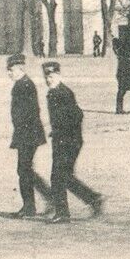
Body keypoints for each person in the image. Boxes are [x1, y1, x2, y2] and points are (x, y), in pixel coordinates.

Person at [42, 60, 102, 223]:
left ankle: (63, 213)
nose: (49, 79)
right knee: (65, 176)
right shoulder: (53, 92)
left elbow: (77, 116)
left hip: (68, 141)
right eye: (46, 77)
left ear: (59, 75)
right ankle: (93, 199)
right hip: (64, 140)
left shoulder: (63, 93)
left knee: (58, 176)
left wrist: (63, 132)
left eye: (52, 76)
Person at [7, 54, 51, 218]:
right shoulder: (22, 84)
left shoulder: (24, 85)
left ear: (20, 69)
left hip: (28, 134)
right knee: (25, 169)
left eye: (11, 70)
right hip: (26, 133)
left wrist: (23, 133)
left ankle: (31, 206)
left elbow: (31, 112)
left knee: (24, 169)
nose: (9, 73)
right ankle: (35, 203)